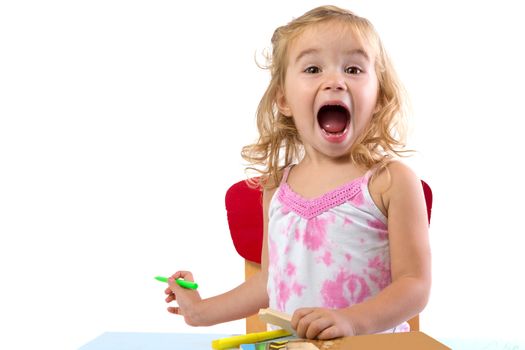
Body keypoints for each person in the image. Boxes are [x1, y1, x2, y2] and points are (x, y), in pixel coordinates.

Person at [163, 5, 431, 340]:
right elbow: (267, 282)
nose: (335, 81)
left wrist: (351, 321)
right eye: (313, 68)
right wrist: (201, 312)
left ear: (378, 96)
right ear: (284, 100)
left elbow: (414, 285)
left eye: (353, 68)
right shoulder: (277, 188)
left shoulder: (391, 181)